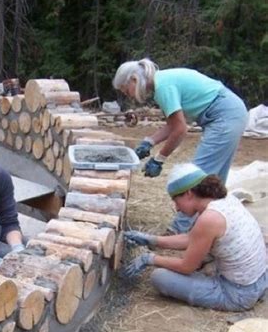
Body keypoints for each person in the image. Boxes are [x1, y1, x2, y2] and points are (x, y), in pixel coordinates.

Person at [112, 58, 248, 232]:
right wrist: (150, 141)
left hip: (225, 116)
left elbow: (180, 129)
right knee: (215, 180)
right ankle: (215, 226)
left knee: (197, 179)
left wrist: (159, 158)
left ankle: (177, 231)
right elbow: (172, 123)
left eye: (126, 90)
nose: (128, 94)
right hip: (232, 111)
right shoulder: (162, 82)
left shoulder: (163, 87)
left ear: (134, 80)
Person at [123, 163, 267, 312]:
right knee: (203, 257)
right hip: (259, 280)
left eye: (175, 200)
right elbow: (192, 238)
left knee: (160, 278)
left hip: (238, 295)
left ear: (189, 194)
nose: (177, 208)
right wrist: (151, 239)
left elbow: (187, 267)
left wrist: (150, 259)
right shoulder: (225, 201)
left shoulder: (209, 219)